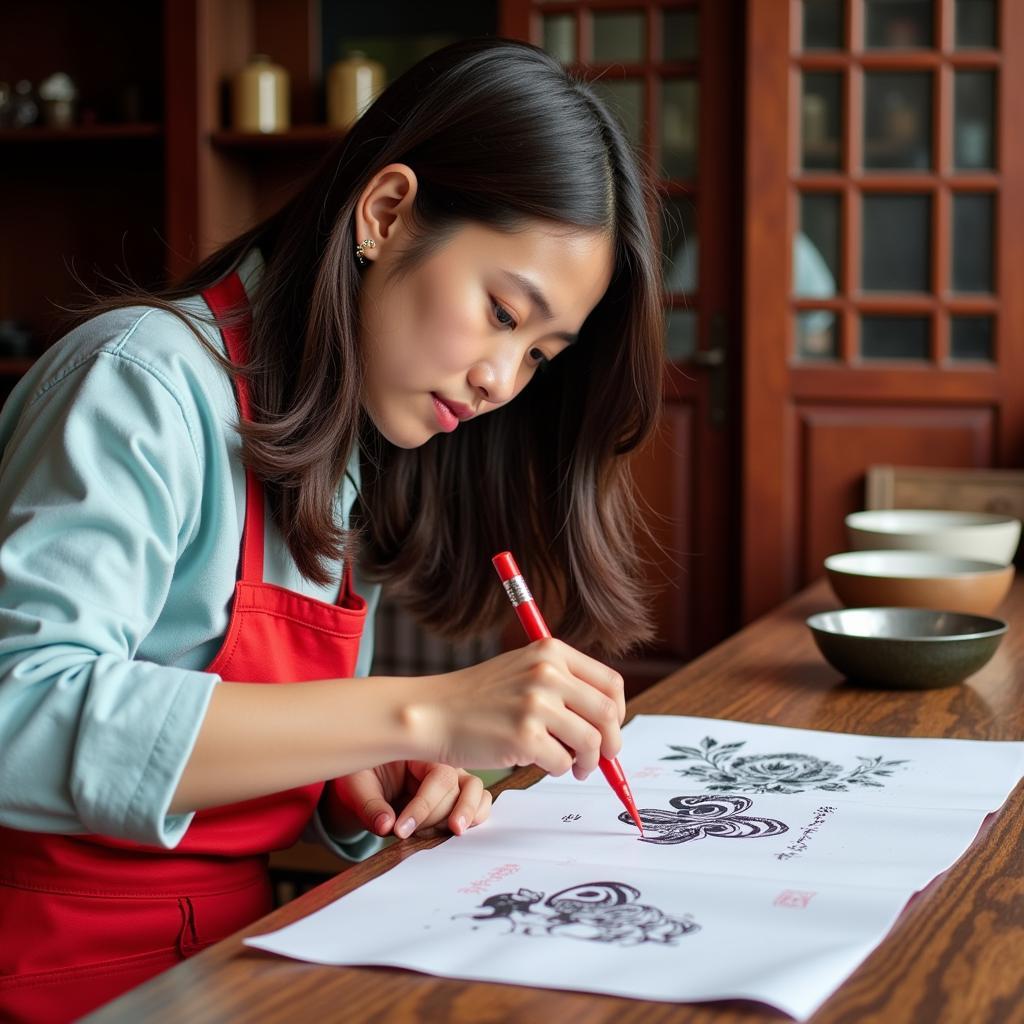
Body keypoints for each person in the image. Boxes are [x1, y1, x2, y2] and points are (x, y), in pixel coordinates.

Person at [0, 37, 663, 1020]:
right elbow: (20, 711)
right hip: (55, 973)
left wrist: (354, 767)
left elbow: (212, 709)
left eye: (539, 354)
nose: (499, 379)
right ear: (387, 214)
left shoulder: (343, 437)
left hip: (226, 956)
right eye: (498, 312)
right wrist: (418, 712)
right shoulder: (143, 383)